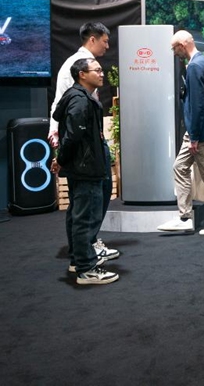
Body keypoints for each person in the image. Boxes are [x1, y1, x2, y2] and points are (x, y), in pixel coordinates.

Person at [49, 22, 119, 265]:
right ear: (92, 39)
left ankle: (85, 248)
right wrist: (59, 147)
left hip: (88, 144)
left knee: (88, 199)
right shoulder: (75, 66)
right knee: (88, 200)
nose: (107, 46)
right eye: (104, 41)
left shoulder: (83, 71)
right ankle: (84, 256)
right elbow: (62, 105)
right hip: (83, 150)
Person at [158, 31, 204, 235]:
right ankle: (184, 216)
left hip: (200, 133)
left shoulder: (194, 67)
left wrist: (195, 137)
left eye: (174, 48)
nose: (174, 53)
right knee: (180, 167)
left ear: (183, 45)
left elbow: (197, 105)